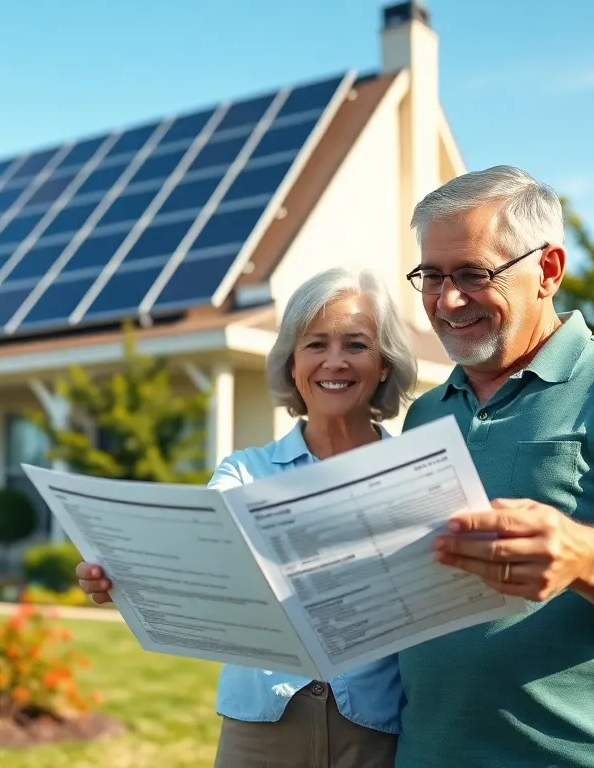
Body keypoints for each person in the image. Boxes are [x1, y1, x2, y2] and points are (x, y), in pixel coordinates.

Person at [393, 165, 594, 767]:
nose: (446, 300)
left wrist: (580, 555)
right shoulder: (424, 415)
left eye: (473, 273)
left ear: (547, 270)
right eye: (431, 276)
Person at [78, 264, 422, 767]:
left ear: (385, 363)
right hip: (261, 727)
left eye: (356, 344)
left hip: (375, 728)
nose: (335, 362)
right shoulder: (244, 472)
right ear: (291, 363)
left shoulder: (416, 475)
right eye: (315, 344)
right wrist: (117, 574)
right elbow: (195, 556)